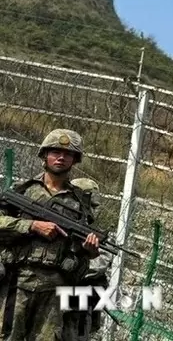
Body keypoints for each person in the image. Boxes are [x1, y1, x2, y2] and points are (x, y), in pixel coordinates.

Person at [0, 129, 100, 341]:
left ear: (75, 160)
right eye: (55, 151)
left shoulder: (80, 203)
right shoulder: (22, 192)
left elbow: (80, 250)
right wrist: (31, 225)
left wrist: (89, 250)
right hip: (18, 281)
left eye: (67, 154)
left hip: (55, 289)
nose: (61, 157)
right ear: (44, 155)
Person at [64, 177, 112, 341]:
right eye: (90, 205)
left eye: (96, 206)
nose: (93, 211)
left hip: (77, 304)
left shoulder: (96, 234)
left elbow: (97, 265)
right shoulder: (59, 224)